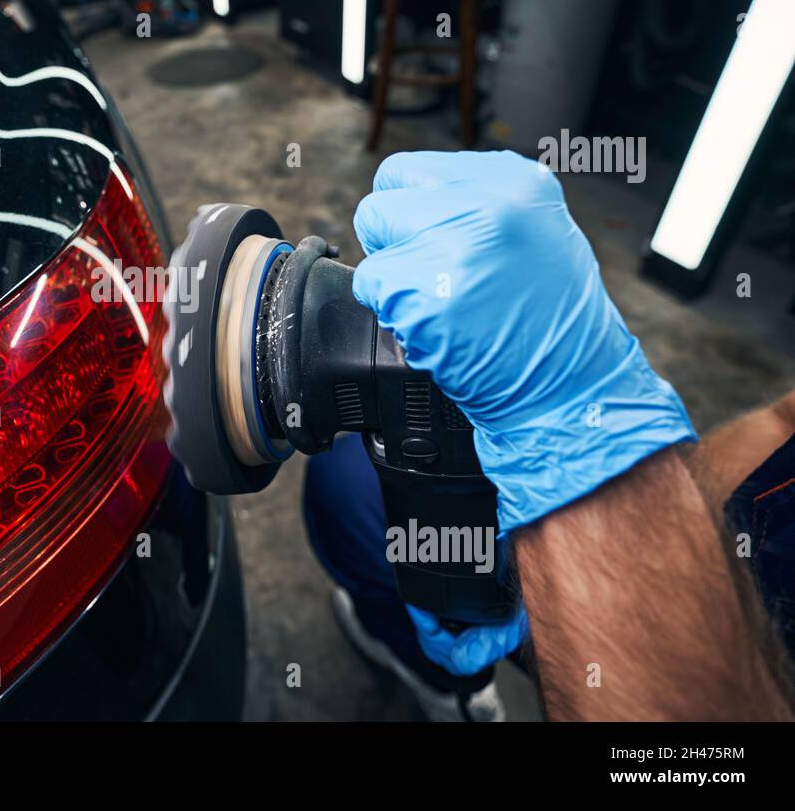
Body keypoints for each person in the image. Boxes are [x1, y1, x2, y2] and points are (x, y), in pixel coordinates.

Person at [305, 149, 795, 721]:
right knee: (352, 482)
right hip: (720, 575)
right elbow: (781, 426)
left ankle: (460, 697)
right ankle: (439, 674)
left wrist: (591, 500)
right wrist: (643, 509)